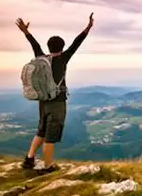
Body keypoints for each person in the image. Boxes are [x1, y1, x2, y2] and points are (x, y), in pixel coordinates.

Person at [15, 13, 94, 172]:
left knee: (41, 130)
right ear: (62, 47)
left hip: (43, 101)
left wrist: (26, 32)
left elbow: (35, 45)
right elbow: (76, 43)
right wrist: (88, 28)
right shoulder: (63, 58)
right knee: (50, 137)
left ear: (49, 47)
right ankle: (49, 167)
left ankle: (29, 159)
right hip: (57, 103)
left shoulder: (41, 59)